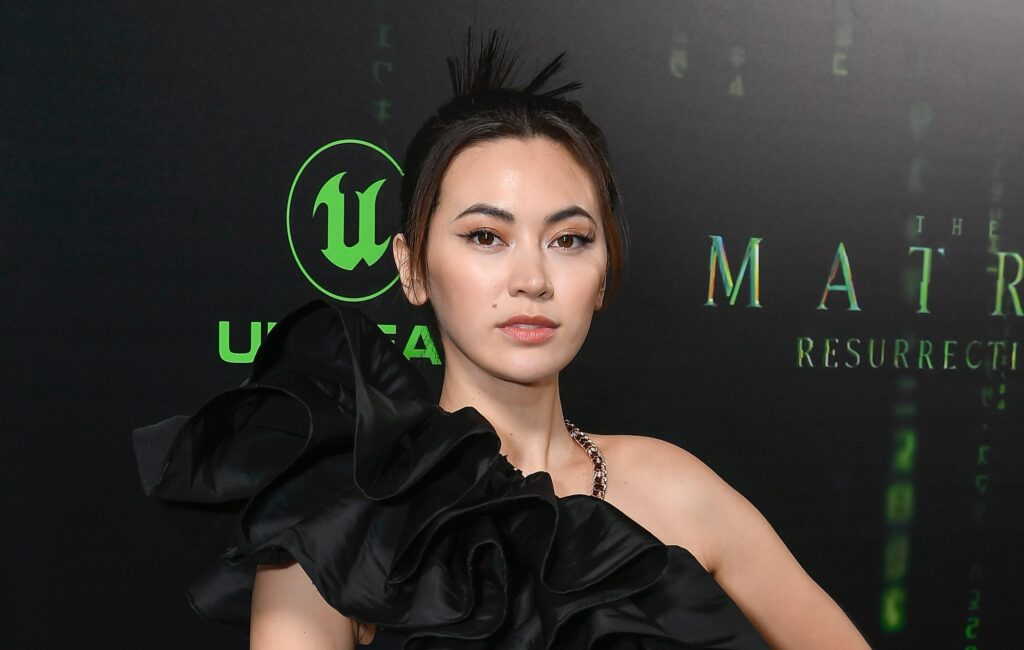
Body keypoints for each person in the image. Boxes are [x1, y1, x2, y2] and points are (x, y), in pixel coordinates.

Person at [134, 30, 871, 649]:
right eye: (486, 236)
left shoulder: (677, 489)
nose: (532, 279)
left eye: (569, 239)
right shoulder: (338, 516)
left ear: (605, 273)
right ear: (411, 267)